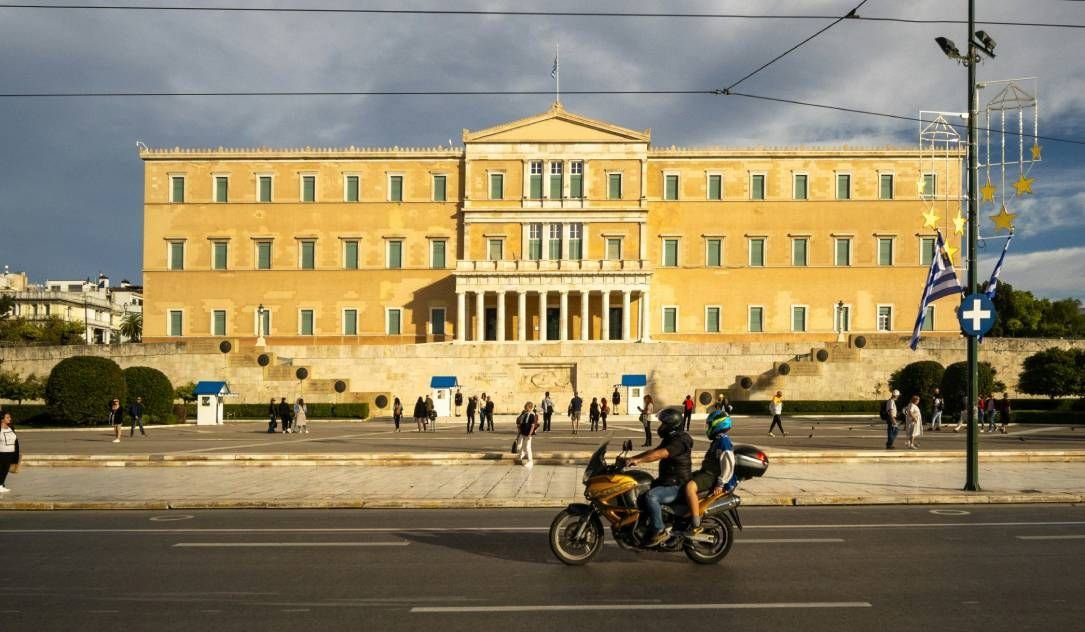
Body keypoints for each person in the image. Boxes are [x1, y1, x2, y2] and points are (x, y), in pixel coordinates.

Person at [625, 408, 694, 546]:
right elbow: (653, 451)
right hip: (667, 481)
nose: (660, 427)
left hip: (677, 484)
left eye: (663, 424)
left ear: (671, 425)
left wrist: (639, 461)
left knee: (652, 496)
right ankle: (644, 527)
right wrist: (632, 458)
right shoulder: (671, 438)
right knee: (640, 490)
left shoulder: (681, 440)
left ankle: (659, 529)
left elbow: (661, 453)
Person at [683, 409, 737, 531]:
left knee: (690, 488)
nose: (708, 427)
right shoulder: (718, 440)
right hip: (706, 473)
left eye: (709, 424)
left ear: (718, 424)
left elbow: (728, 464)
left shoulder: (723, 441)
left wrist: (720, 483)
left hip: (711, 476)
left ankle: (695, 521)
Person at [512, 401, 539, 466]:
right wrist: (518, 435)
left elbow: (532, 425)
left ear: (530, 407)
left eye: (526, 407)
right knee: (519, 446)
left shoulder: (532, 415)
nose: (525, 408)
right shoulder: (525, 414)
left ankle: (530, 461)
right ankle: (522, 454)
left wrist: (530, 434)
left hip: (528, 434)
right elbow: (521, 424)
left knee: (527, 447)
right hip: (522, 433)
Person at [0, 411, 19, 493]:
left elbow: (15, 440)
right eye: (7, 417)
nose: (10, 419)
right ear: (2, 419)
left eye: (10, 417)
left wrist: (16, 453)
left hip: (11, 452)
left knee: (6, 470)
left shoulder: (11, 427)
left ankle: (1, 484)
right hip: (2, 453)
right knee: (1, 470)